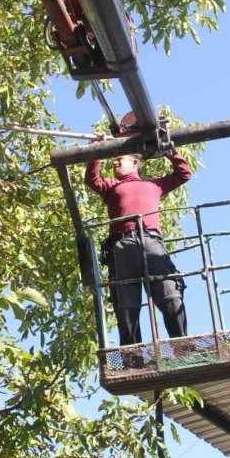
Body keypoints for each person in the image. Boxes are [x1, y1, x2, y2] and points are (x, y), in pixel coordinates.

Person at [84, 122, 192, 350]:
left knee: (169, 294)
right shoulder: (111, 186)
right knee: (126, 304)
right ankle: (133, 356)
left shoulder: (154, 185)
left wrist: (168, 147)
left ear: (135, 162)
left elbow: (184, 174)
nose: (114, 162)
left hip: (151, 241)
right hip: (121, 247)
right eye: (112, 160)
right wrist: (96, 151)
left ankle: (181, 346)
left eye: (118, 159)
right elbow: (92, 180)